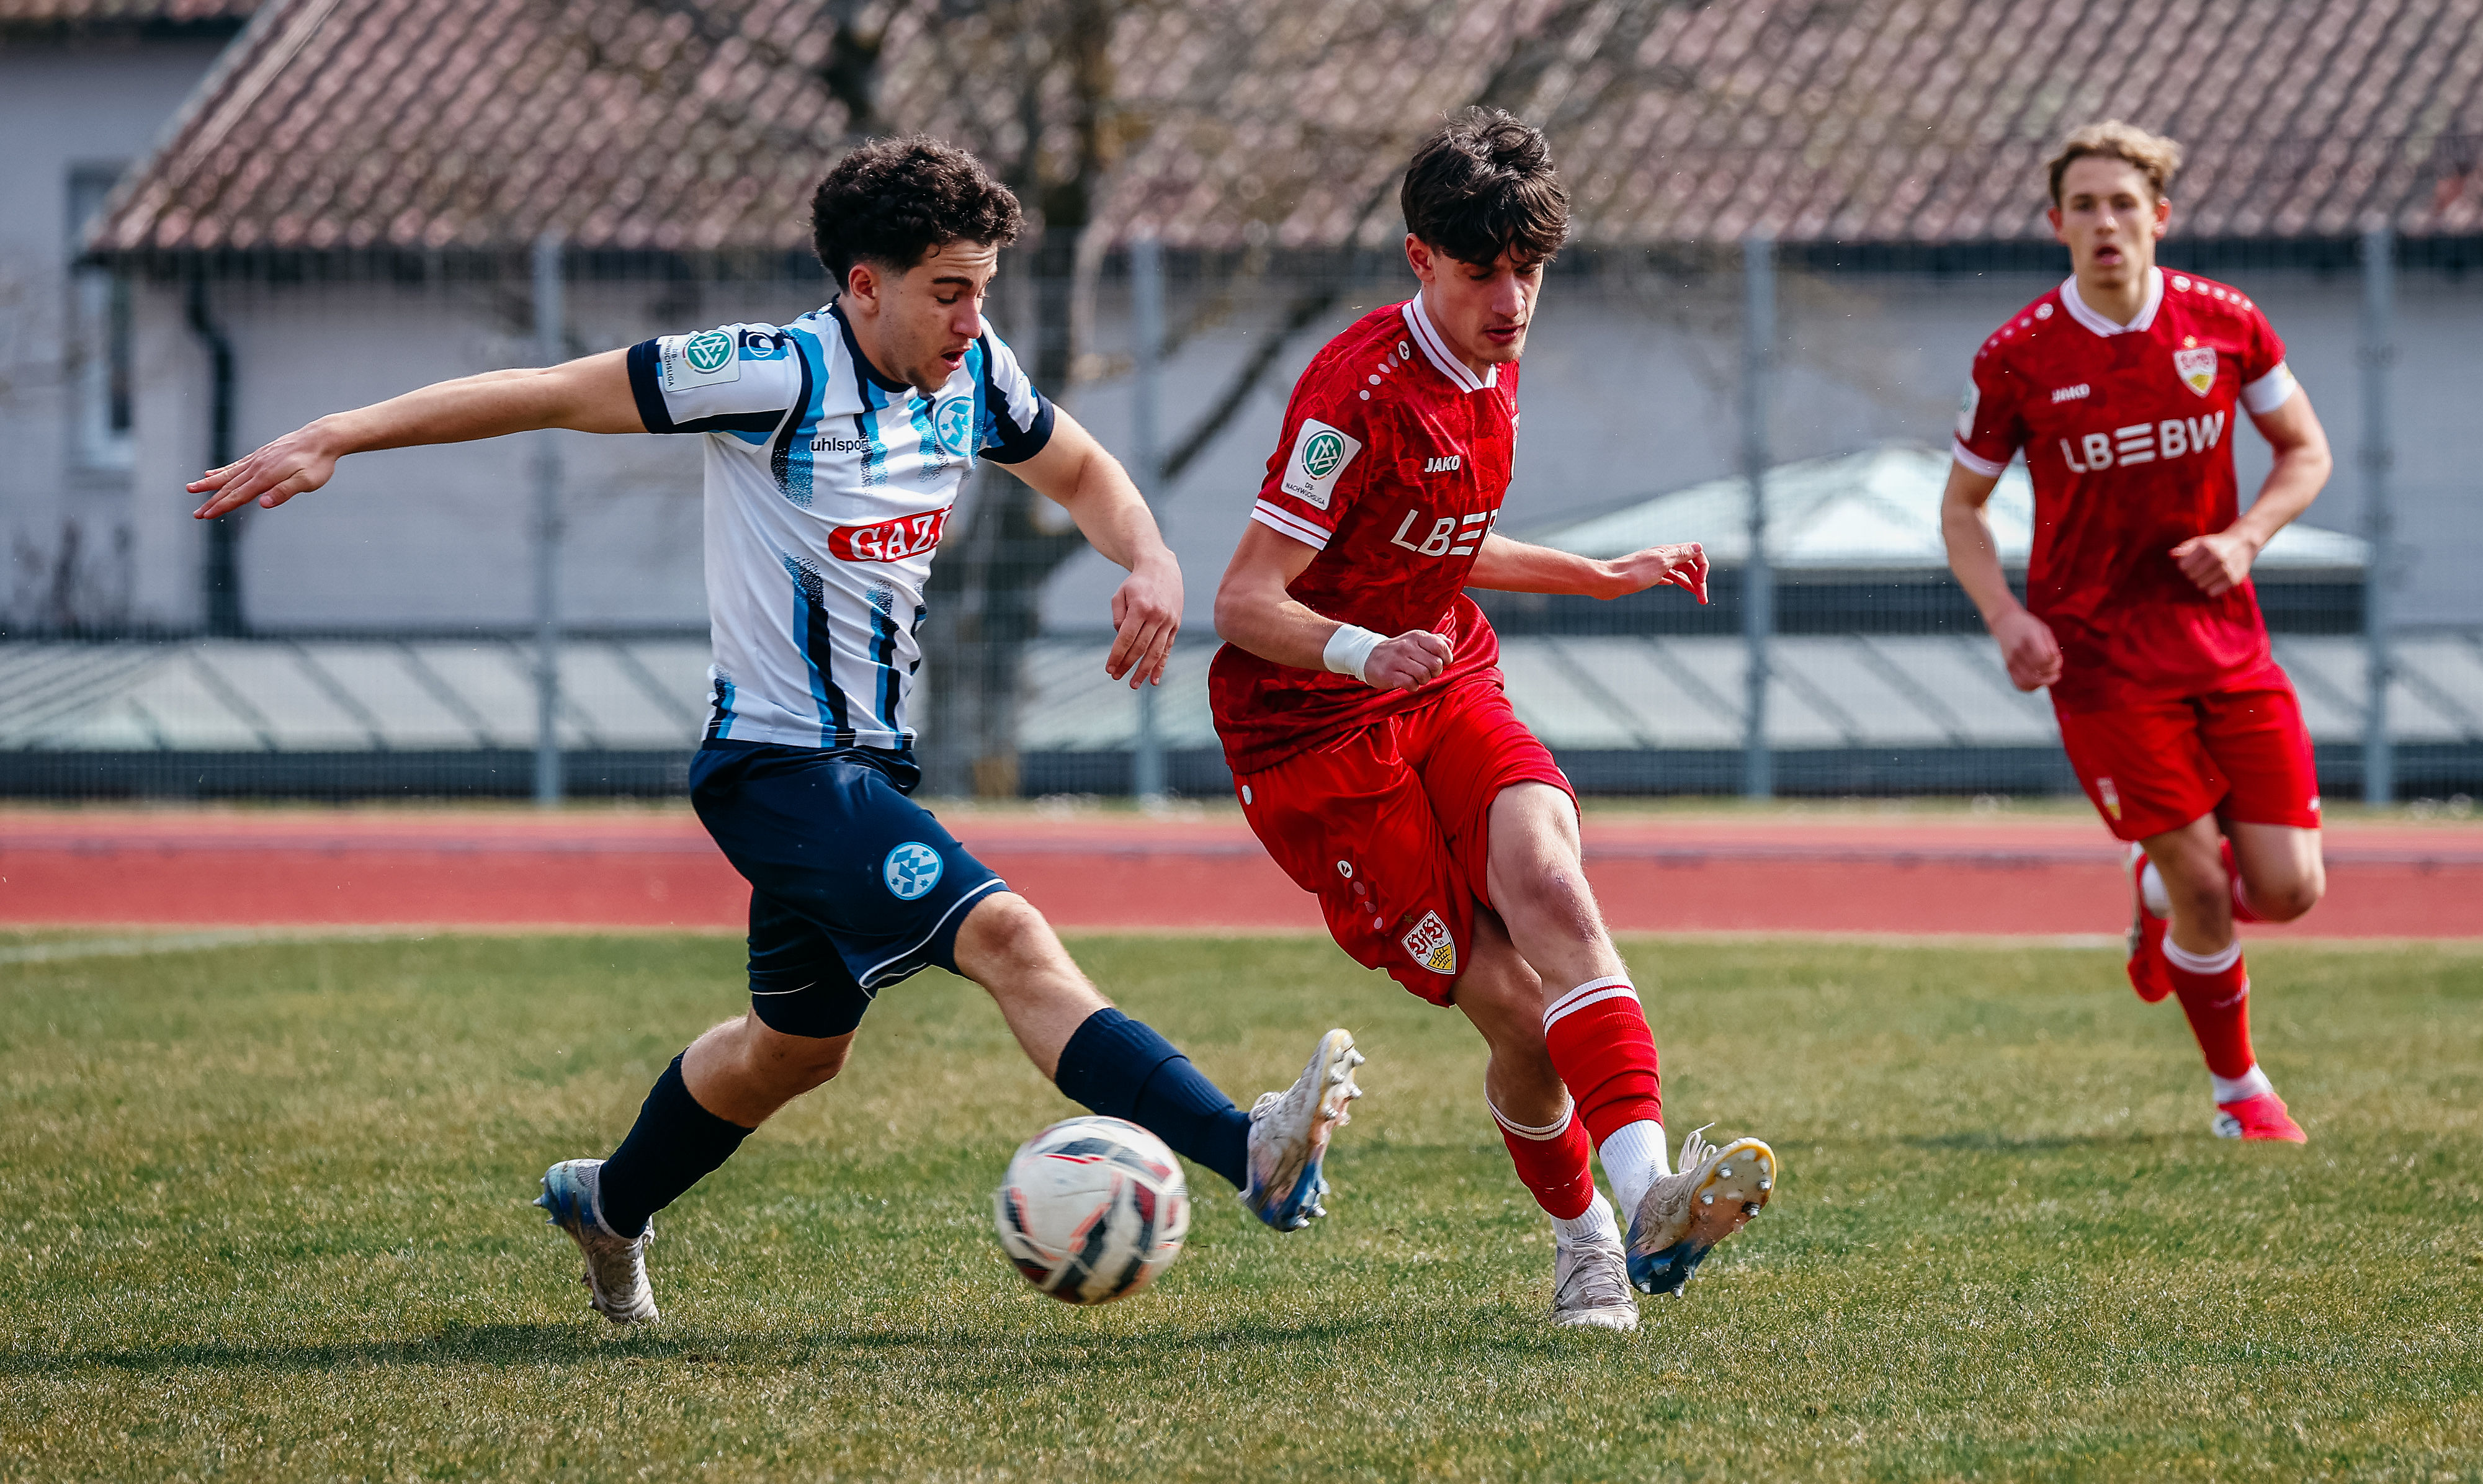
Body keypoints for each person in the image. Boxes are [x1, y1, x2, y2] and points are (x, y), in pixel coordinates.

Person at [184, 136, 1364, 1323]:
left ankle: (610, 1204)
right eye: (948, 290)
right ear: (865, 284)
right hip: (777, 769)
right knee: (1006, 937)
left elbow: (1082, 469)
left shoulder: (976, 375)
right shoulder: (767, 372)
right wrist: (338, 432)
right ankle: (1244, 1149)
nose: (971, 317)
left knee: (795, 1049)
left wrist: (1150, 556)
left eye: (983, 291)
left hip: (865, 768)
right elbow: (547, 391)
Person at [1207, 109, 1778, 1333]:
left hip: (1444, 678)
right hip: (1312, 735)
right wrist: (1364, 650)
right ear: (1420, 259)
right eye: (1482, 272)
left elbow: (1444, 543)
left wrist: (1600, 572)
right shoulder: (1351, 393)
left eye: (1528, 270)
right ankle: (1583, 1238)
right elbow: (1244, 599)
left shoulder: (1492, 363)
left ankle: (1647, 1202)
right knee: (1518, 1011)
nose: (1510, 298)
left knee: (1551, 882)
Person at [1939, 120, 2336, 1143]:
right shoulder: (2018, 358)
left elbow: (2305, 452)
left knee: (2289, 891)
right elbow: (1963, 511)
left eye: (2124, 203)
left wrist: (2247, 537)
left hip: (2225, 641)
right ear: (2056, 224)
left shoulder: (2227, 323)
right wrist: (2006, 616)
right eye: (2085, 206)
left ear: (2160, 216)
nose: (2105, 222)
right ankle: (2241, 1094)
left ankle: (2153, 885)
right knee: (2209, 886)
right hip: (2101, 660)